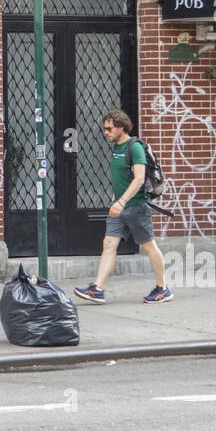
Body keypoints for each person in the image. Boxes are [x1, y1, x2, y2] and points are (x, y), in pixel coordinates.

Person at [73, 110, 171, 306]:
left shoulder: (134, 147)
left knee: (148, 246)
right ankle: (97, 289)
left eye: (109, 128)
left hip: (135, 207)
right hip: (118, 208)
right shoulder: (116, 148)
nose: (105, 132)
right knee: (109, 244)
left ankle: (163, 288)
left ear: (121, 127)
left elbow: (139, 178)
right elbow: (121, 178)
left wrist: (121, 202)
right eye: (104, 129)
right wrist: (115, 200)